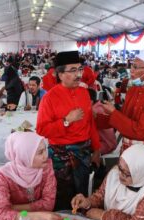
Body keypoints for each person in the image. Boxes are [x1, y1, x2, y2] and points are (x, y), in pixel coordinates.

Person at [37, 51, 100, 210]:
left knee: (81, 196)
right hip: (60, 156)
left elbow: (90, 123)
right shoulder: (49, 98)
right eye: (73, 70)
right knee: (61, 198)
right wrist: (66, 121)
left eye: (80, 69)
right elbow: (42, 129)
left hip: (83, 153)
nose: (79, 74)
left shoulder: (84, 92)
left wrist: (97, 150)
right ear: (59, 74)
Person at [96, 50, 144, 157]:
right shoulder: (133, 90)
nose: (131, 70)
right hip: (128, 145)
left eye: (135, 67)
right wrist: (95, 118)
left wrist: (113, 112)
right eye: (131, 66)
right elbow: (124, 119)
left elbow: (140, 131)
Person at [0, 132, 61, 220]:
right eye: (40, 152)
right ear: (25, 155)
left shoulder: (46, 168)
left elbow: (48, 205)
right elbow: (2, 214)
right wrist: (39, 216)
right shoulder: (4, 176)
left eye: (45, 149)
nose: (45, 156)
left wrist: (13, 208)